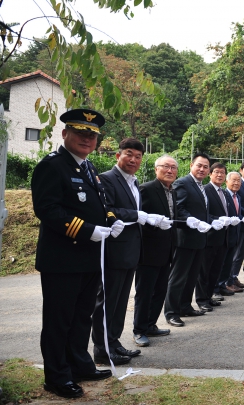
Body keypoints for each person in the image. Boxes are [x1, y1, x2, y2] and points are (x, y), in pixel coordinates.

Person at [31, 108, 116, 399]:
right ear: (65, 133)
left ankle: (79, 365)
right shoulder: (52, 166)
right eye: (81, 133)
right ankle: (56, 377)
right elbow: (47, 209)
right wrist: (86, 230)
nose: (87, 139)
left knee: (81, 317)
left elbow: (98, 204)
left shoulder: (88, 166)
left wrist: (110, 221)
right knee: (59, 320)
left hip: (89, 258)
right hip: (63, 259)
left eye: (92, 135)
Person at [92, 138, 146, 366]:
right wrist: (135, 216)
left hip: (130, 251)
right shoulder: (106, 179)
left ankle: (113, 342)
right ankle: (102, 349)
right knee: (107, 301)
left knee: (122, 301)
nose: (133, 160)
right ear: (118, 156)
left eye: (138, 156)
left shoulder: (134, 182)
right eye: (129, 154)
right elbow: (107, 209)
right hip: (113, 250)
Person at [132, 155, 179, 347]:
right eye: (165, 167)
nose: (170, 171)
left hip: (167, 249)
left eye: (173, 168)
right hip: (149, 250)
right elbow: (138, 219)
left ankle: (151, 324)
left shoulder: (172, 191)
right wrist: (154, 224)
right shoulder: (146, 189)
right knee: (145, 291)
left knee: (160, 290)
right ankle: (139, 330)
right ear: (156, 169)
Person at [164, 153, 212, 327]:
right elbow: (178, 208)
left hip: (199, 239)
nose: (202, 169)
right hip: (184, 238)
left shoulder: (201, 186)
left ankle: (185, 306)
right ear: (191, 165)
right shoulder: (183, 183)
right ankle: (171, 312)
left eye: (205, 167)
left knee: (192, 276)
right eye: (199, 165)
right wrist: (191, 220)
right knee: (178, 277)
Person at [196, 162, 231, 311]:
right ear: (210, 174)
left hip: (222, 237)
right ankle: (201, 299)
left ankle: (209, 297)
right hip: (210, 236)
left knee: (215, 270)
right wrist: (216, 220)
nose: (219, 175)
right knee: (205, 271)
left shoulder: (223, 192)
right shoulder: (206, 190)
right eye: (216, 172)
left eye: (222, 173)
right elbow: (204, 213)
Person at [215, 172, 244, 294]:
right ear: (227, 181)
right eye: (234, 180)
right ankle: (222, 284)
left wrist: (243, 216)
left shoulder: (237, 196)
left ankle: (227, 282)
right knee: (223, 261)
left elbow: (238, 212)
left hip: (235, 233)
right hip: (225, 233)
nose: (236, 183)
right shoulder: (224, 195)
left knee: (230, 260)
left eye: (238, 181)